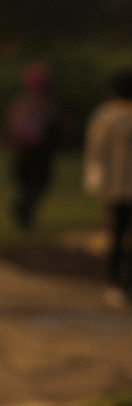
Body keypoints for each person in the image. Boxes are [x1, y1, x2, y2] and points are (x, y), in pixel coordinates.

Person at [82, 69, 132, 308]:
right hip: (121, 186)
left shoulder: (105, 116)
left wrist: (95, 179)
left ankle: (116, 283)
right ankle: (120, 282)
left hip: (117, 186)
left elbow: (95, 150)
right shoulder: (110, 116)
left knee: (117, 234)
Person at [6, 61, 61, 230]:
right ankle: (24, 211)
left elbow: (9, 126)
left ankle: (24, 211)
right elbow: (56, 127)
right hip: (40, 153)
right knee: (39, 184)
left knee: (27, 185)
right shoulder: (47, 104)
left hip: (22, 151)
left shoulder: (20, 102)